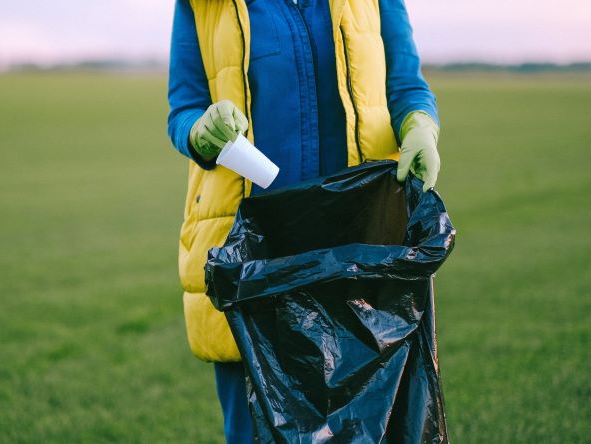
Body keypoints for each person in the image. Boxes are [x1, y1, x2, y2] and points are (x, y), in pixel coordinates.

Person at [167, 0, 440, 442]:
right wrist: (200, 130)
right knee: (254, 430)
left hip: (358, 246)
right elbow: (183, 108)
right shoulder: (201, 6)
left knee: (371, 427)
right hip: (255, 259)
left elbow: (406, 86)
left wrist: (421, 125)